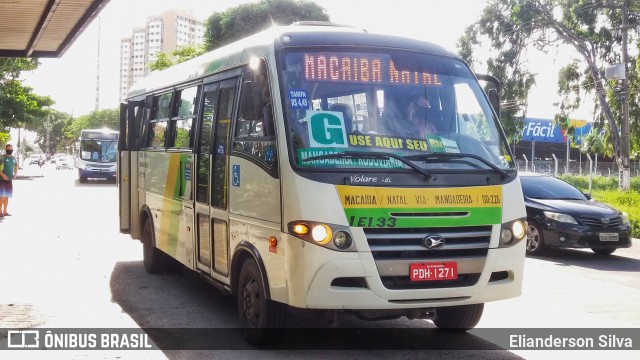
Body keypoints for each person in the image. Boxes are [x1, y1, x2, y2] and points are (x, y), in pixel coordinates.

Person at [0, 144, 18, 217]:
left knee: (7, 196)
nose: (10, 150)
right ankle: (0, 211)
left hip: (9, 180)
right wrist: (3, 175)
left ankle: (5, 212)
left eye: (11, 149)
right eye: (8, 149)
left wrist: (15, 174)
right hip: (1, 180)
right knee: (1, 196)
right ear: (6, 149)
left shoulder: (13, 158)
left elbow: (16, 166)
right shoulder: (2, 157)